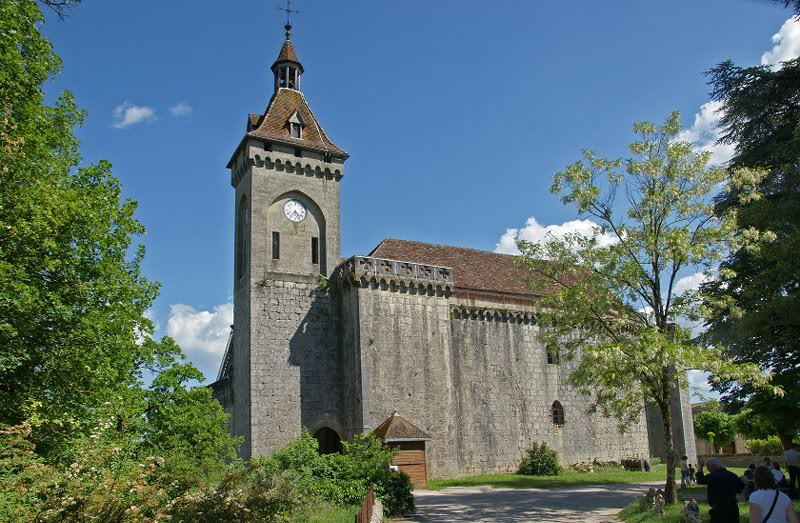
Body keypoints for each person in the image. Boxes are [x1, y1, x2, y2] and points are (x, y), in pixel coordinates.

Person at [697, 457, 745, 522]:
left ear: (713, 466)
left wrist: (700, 468)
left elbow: (700, 480)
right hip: (733, 508)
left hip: (719, 509)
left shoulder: (712, 476)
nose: (708, 469)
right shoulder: (732, 475)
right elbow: (741, 487)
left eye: (708, 467)